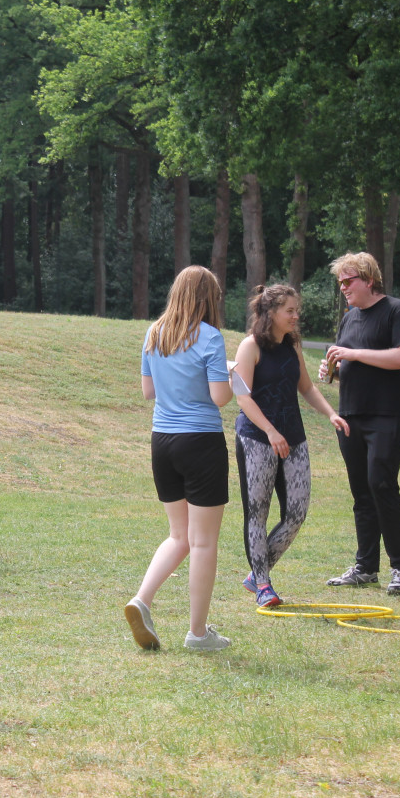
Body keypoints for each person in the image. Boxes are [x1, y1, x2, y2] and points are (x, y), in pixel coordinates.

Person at [124, 266, 233, 651]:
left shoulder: (154, 332)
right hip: (200, 442)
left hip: (162, 441)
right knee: (203, 542)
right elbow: (220, 397)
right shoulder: (211, 337)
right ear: (207, 299)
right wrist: (230, 376)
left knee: (178, 535)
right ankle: (198, 634)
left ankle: (141, 599)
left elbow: (148, 391)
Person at [233, 284, 349, 608]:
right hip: (257, 437)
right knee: (257, 512)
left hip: (293, 436)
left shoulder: (291, 345)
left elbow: (307, 387)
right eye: (290, 311)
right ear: (271, 313)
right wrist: (269, 431)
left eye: (296, 311)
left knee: (297, 512)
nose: (296, 316)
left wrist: (331, 414)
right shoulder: (250, 346)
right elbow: (243, 398)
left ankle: (256, 572)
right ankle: (263, 585)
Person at [318, 252, 400, 595]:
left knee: (381, 483)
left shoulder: (398, 311)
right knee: (361, 491)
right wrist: (330, 371)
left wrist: (353, 355)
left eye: (349, 281)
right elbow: (345, 360)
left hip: (388, 414)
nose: (344, 288)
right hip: (351, 415)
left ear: (369, 279)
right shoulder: (349, 319)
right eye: (340, 283)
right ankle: (365, 567)